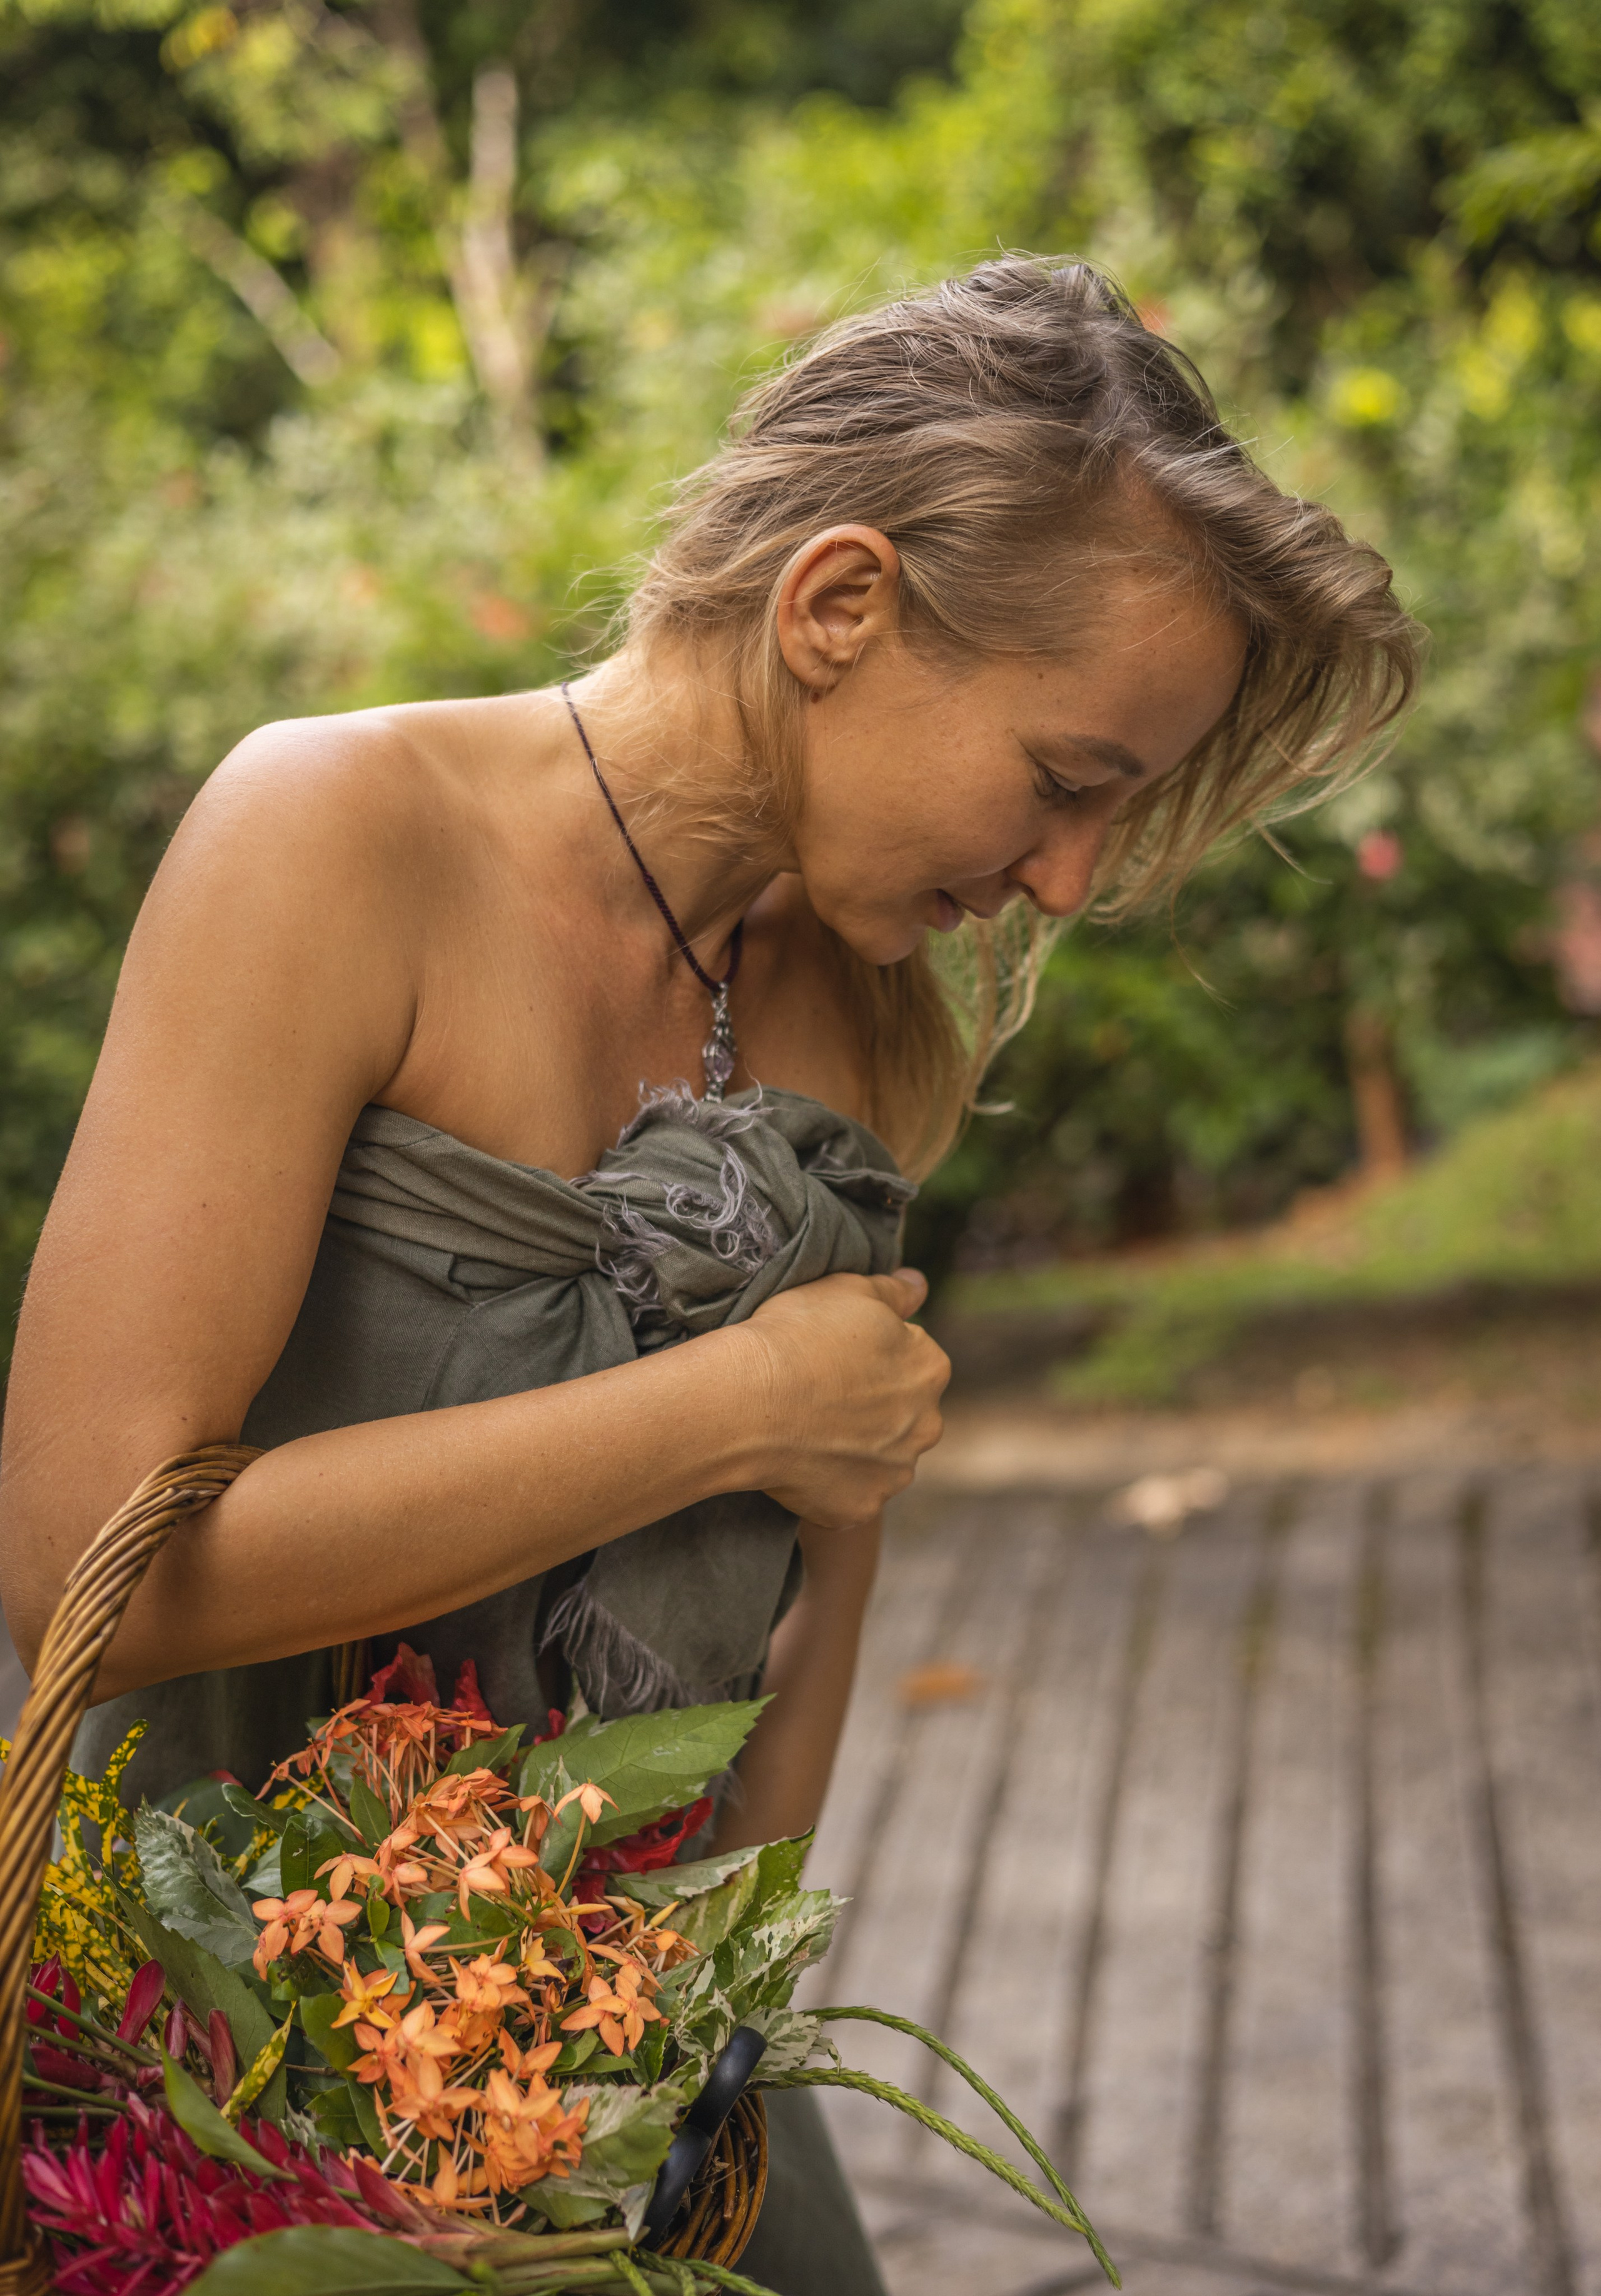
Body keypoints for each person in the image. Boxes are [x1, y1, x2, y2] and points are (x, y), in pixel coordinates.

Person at [0, 256, 1419, 2290]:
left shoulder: (862, 1001)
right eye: (1065, 778)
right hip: (205, 2111)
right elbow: (78, 1575)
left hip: (614, 2112)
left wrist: (672, 2045)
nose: (1071, 882)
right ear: (839, 607)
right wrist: (728, 1403)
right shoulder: (332, 837)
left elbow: (817, 1564)